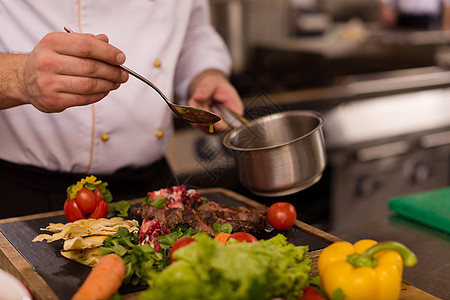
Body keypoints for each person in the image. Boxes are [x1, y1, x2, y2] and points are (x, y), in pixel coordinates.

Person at [0, 0, 244, 218]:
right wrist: (19, 76)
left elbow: (193, 34)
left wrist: (204, 74)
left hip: (152, 193)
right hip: (27, 198)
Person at [379, 0, 450, 30]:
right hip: (404, 21)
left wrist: (446, 24)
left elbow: (447, 3)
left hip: (430, 22)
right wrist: (386, 8)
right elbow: (386, 4)